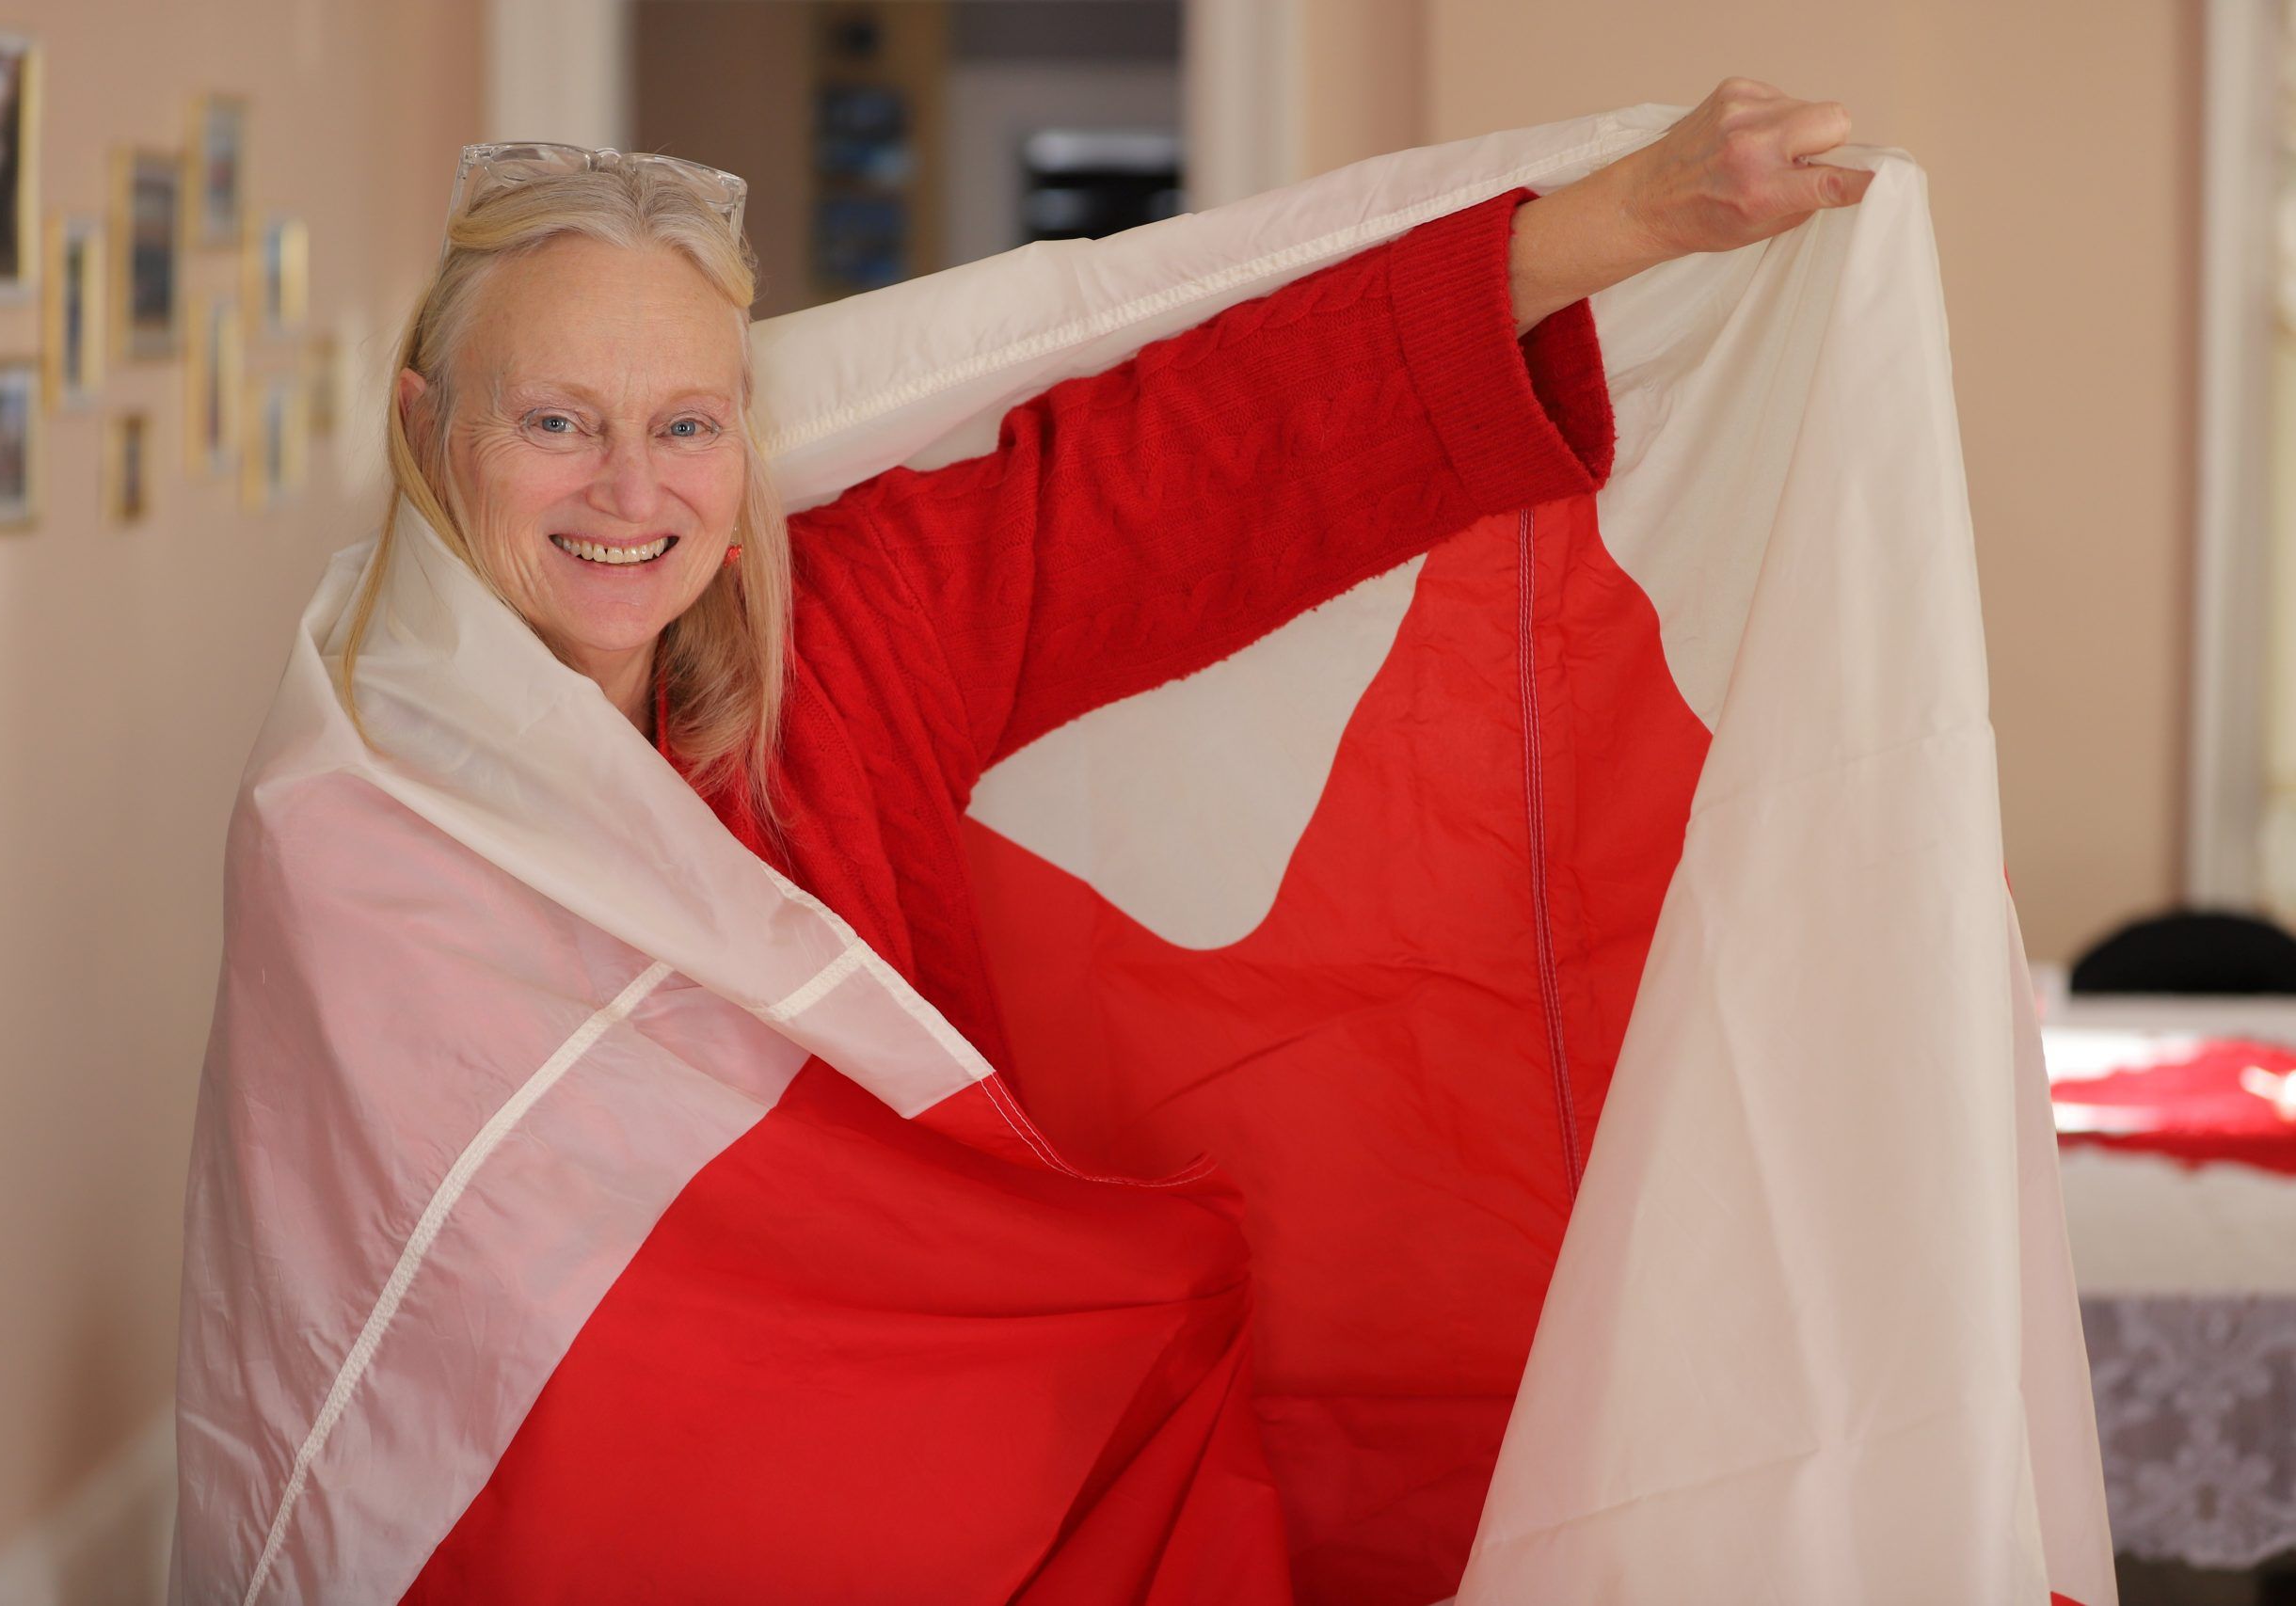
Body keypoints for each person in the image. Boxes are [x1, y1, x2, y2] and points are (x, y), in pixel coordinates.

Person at [241, 78, 1870, 1601]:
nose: (629, 488)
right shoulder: (353, 813)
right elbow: (396, 1332)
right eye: (553, 422)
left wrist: (1632, 221)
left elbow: (1189, 467)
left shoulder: (858, 642)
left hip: (966, 1487)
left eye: (685, 425)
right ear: (425, 424)